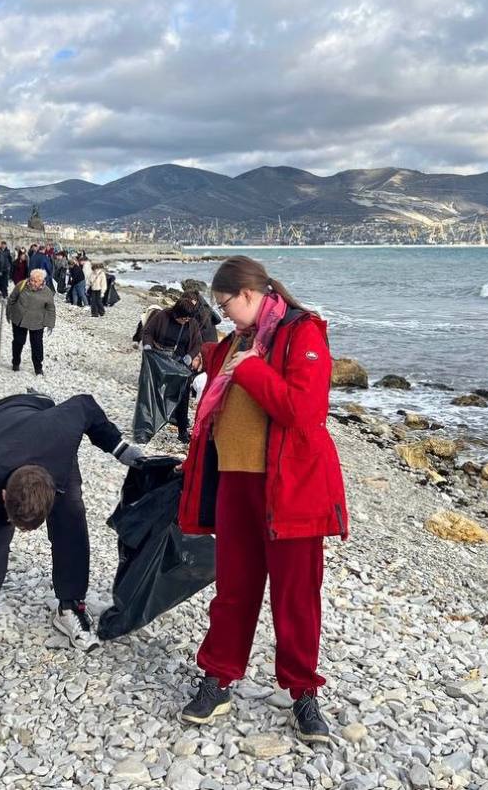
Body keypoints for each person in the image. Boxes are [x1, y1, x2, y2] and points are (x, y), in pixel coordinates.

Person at [176, 255, 347, 745]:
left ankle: (303, 692)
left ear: (249, 294)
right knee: (234, 589)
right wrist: (210, 357)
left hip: (291, 487)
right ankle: (218, 677)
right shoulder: (238, 339)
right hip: (235, 483)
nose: (223, 312)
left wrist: (249, 370)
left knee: (296, 596)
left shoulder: (301, 332)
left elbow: (303, 411)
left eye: (226, 303)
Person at [0, 393, 147, 714]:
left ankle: (71, 605)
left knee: (72, 512)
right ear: (3, 495)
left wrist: (118, 447)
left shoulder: (60, 435)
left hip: (32, 414)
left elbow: (85, 404)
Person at [139, 295, 205, 442]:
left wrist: (190, 356)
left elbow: (197, 343)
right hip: (159, 359)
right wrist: (148, 346)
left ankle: (182, 432)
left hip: (180, 363)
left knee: (182, 396)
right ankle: (146, 429)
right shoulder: (162, 316)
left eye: (188, 318)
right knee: (152, 395)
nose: (185, 321)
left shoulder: (192, 323)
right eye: (183, 318)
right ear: (176, 313)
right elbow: (147, 332)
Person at [6, 268, 55, 374]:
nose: (32, 282)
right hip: (19, 318)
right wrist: (8, 313)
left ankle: (38, 368)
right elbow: (12, 299)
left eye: (36, 281)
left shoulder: (47, 292)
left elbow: (50, 308)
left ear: (42, 281)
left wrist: (50, 324)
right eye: (32, 279)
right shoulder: (22, 285)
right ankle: (15, 362)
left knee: (37, 344)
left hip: (37, 321)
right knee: (18, 341)